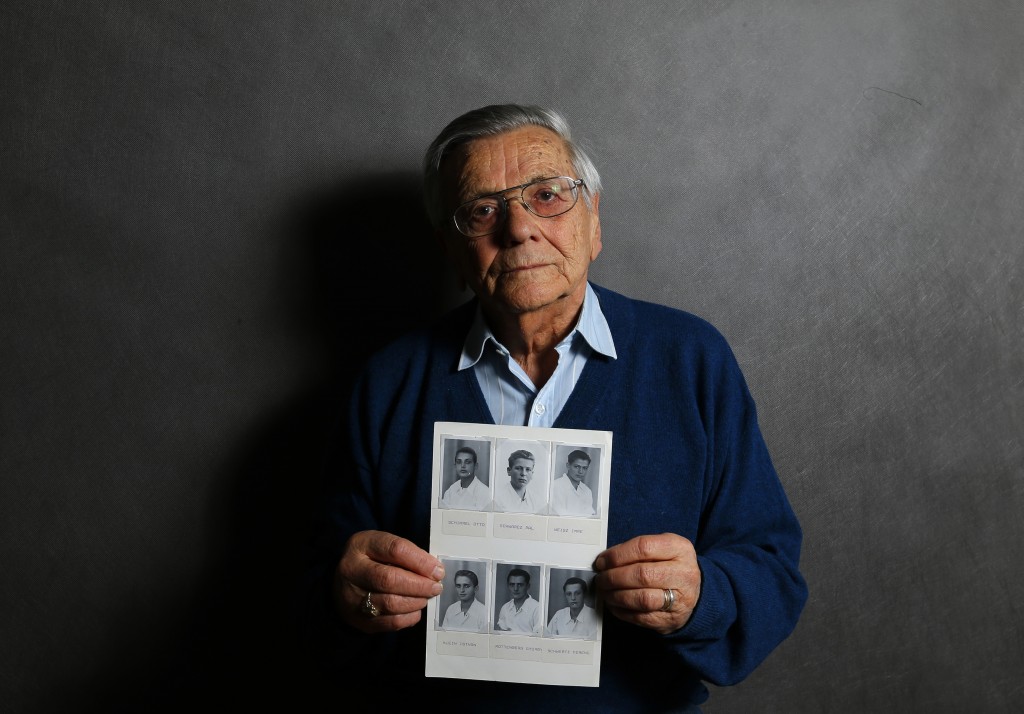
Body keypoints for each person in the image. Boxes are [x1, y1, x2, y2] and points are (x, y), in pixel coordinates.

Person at [313, 104, 807, 712]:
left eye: (548, 194)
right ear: (451, 249)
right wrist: (349, 598)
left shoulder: (690, 360)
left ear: (594, 220)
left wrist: (703, 595)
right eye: (483, 209)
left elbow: (773, 572)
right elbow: (315, 593)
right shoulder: (390, 382)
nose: (518, 228)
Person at [439, 445, 490, 510]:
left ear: (475, 466)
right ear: (455, 466)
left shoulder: (485, 493)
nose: (463, 466)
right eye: (459, 462)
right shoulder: (450, 491)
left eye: (467, 462)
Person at [492, 449, 543, 513]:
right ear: (509, 471)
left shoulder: (537, 502)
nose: (523, 473)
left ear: (532, 473)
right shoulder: (497, 498)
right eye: (518, 468)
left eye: (528, 469)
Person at [494, 568, 542, 634]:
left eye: (520, 585)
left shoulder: (537, 609)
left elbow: (538, 639)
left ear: (528, 586)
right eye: (512, 585)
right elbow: (501, 635)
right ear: (508, 586)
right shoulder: (505, 607)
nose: (515, 589)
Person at [550, 449, 596, 516]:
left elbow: (590, 516)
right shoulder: (555, 486)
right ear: (568, 465)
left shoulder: (587, 491)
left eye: (584, 468)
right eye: (577, 467)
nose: (580, 471)